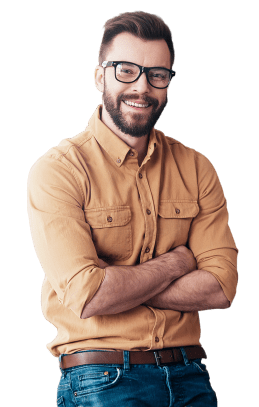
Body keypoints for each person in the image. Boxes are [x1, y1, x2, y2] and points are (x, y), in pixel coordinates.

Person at [27, 10, 238, 406]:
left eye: (157, 74)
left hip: (191, 375)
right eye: (126, 70)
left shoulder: (197, 167)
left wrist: (118, 283)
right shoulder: (58, 170)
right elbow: (88, 297)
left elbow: (221, 286)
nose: (142, 86)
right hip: (102, 377)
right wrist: (177, 263)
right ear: (99, 76)